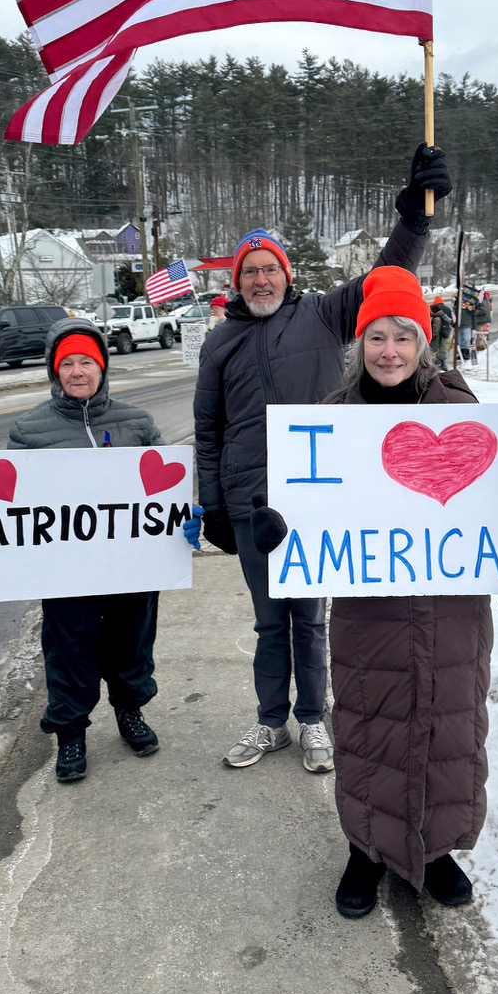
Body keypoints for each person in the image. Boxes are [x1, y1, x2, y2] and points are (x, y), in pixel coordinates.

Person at [249, 266, 498, 917]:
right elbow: (305, 515)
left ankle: (437, 850)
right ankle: (366, 851)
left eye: (403, 336)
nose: (390, 349)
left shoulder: (457, 407)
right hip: (371, 614)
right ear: (359, 345)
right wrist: (277, 526)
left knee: (449, 730)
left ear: (423, 343)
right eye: (377, 336)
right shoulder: (332, 420)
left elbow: (489, 505)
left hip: (453, 616)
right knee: (368, 729)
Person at [193, 144, 452, 773]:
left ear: (286, 275)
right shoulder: (220, 342)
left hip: (314, 493)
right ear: (238, 281)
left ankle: (312, 720)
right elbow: (208, 430)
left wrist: (414, 220)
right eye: (249, 270)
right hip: (252, 502)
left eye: (269, 269)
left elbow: (388, 279)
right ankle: (268, 722)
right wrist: (213, 506)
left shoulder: (321, 315)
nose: (260, 279)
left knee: (309, 620)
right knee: (266, 625)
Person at [0, 318, 166, 784]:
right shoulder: (29, 429)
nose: (78, 372)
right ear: (53, 371)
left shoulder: (137, 423)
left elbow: (165, 493)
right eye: (68, 364)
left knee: (131, 646)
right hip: (65, 575)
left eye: (87, 362)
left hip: (130, 568)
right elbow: (14, 501)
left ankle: (130, 713)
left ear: (103, 367)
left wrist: (184, 518)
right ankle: (70, 734)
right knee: (69, 653)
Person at [429, 296, 452, 369]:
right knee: (442, 350)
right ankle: (443, 366)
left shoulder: (437, 319)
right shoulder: (446, 312)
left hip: (438, 339)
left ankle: (442, 367)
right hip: (444, 336)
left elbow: (435, 332)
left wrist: (431, 337)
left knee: (437, 353)